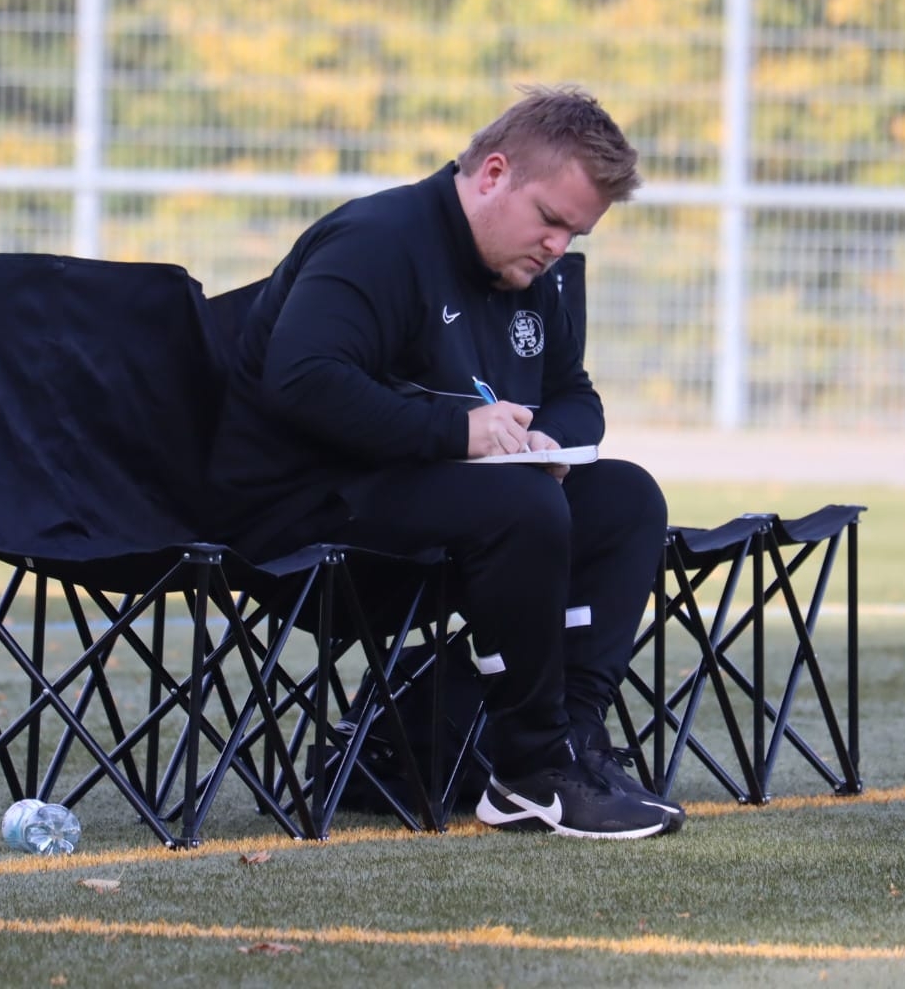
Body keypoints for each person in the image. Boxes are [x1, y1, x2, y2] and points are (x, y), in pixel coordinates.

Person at [208, 84, 683, 840]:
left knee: (625, 497)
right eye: (551, 219)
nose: (558, 246)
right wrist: (458, 432)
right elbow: (302, 380)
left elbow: (574, 393)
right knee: (520, 507)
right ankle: (529, 769)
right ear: (493, 174)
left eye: (575, 233)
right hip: (305, 518)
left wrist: (545, 439)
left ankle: (571, 744)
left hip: (436, 511)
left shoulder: (528, 275)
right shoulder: (377, 239)